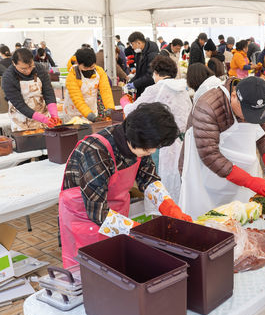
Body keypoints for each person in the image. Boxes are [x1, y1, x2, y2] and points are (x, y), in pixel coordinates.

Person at [60, 102, 190, 266]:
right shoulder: (95, 151)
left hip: (114, 215)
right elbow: (98, 213)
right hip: (85, 218)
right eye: (151, 148)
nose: (153, 152)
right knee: (89, 272)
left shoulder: (137, 142)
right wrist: (141, 232)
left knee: (116, 266)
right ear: (138, 138)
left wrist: (169, 207)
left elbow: (147, 177)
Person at [179, 76, 265, 217]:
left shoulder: (256, 103)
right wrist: (249, 181)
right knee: (208, 217)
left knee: (242, 216)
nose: (248, 120)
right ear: (233, 96)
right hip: (205, 170)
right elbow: (210, 155)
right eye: (247, 114)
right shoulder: (207, 106)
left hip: (239, 172)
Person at [123, 56, 192, 202]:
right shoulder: (183, 89)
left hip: (162, 143)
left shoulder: (155, 89)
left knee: (160, 181)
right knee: (180, 180)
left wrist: (124, 102)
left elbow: (133, 111)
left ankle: (163, 212)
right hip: (183, 141)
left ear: (156, 72)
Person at [2, 48, 59, 130]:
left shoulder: (39, 69)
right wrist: (42, 118)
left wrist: (54, 114)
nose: (28, 71)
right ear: (14, 63)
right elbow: (19, 104)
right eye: (23, 69)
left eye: (30, 66)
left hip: (42, 114)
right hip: (21, 119)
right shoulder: (8, 77)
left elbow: (48, 92)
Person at [62, 48, 115, 123]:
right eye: (85, 68)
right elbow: (77, 98)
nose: (89, 69)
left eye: (92, 67)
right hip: (74, 113)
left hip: (92, 109)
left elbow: (106, 91)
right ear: (78, 63)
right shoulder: (73, 75)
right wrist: (90, 115)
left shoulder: (100, 72)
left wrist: (110, 108)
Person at [127, 31, 159, 97]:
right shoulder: (139, 53)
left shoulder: (153, 55)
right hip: (141, 88)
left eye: (133, 44)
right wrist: (131, 82)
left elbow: (150, 76)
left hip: (150, 90)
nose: (132, 47)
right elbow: (139, 73)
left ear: (139, 43)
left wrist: (135, 84)